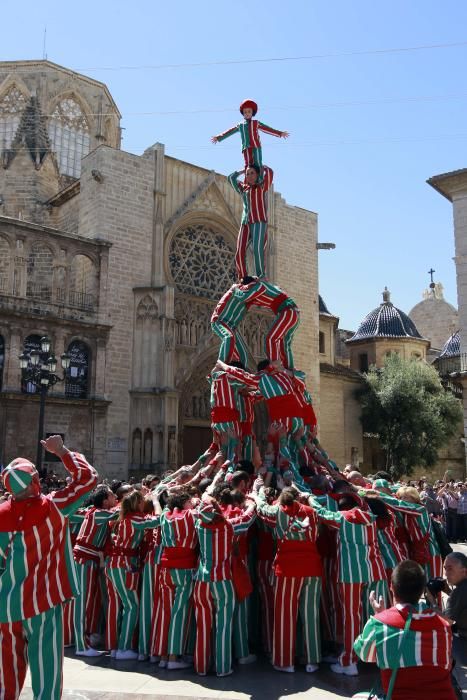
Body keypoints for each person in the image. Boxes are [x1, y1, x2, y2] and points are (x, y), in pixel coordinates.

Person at [0, 435, 98, 700]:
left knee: (5, 679)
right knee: (47, 677)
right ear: (34, 482)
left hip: (6, 608)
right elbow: (88, 479)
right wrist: (62, 451)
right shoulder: (55, 507)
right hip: (44, 603)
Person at [353, 560, 457, 700]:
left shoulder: (378, 624)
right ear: (422, 590)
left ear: (392, 588)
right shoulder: (444, 628)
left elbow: (365, 654)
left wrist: (380, 615)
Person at [254, 483, 323, 674]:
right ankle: (312, 660)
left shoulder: (277, 511)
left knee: (285, 615)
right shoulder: (311, 512)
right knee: (311, 615)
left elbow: (260, 508)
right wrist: (308, 497)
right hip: (312, 567)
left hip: (287, 569)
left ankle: (285, 661)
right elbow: (318, 511)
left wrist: (257, 492)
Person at [212, 99, 288, 168]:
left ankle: (260, 179)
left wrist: (280, 133)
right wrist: (218, 137)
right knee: (248, 165)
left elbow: (267, 129)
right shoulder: (240, 125)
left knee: (258, 164)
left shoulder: (256, 123)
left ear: (252, 113)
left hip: (256, 146)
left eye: (249, 111)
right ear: (243, 113)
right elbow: (230, 132)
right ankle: (247, 182)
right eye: (245, 112)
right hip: (246, 148)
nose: (247, 113)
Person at [228, 165, 273, 279]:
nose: (249, 176)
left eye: (252, 173)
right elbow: (230, 178)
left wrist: (264, 168)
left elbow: (270, 174)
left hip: (259, 221)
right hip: (246, 222)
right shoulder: (243, 188)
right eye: (248, 174)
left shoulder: (262, 186)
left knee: (258, 250)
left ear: (257, 175)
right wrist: (242, 171)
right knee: (239, 251)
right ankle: (243, 277)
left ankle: (261, 275)